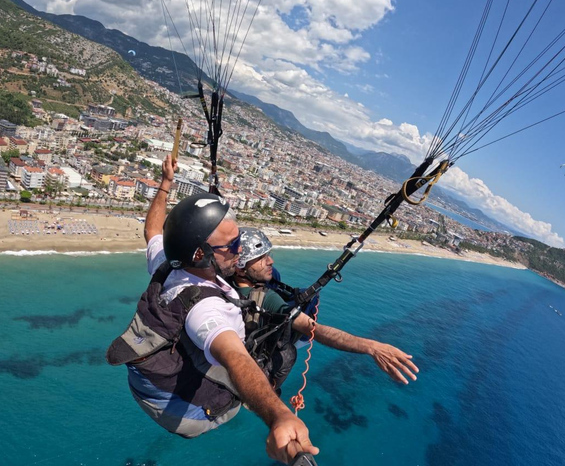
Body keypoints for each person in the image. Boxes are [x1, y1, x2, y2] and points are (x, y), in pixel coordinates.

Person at [107, 154, 318, 465]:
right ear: (200, 253)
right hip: (186, 413)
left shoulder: (168, 262)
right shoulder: (205, 309)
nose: (240, 251)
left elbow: (152, 230)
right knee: (283, 351)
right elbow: (235, 358)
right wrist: (280, 416)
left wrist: (166, 183)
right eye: (232, 247)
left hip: (148, 386)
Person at [230, 227, 420, 386]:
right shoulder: (267, 299)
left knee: (277, 277)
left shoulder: (223, 280)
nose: (270, 260)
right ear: (240, 267)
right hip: (263, 348)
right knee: (303, 301)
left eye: (268, 254)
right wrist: (371, 347)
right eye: (261, 257)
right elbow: (314, 330)